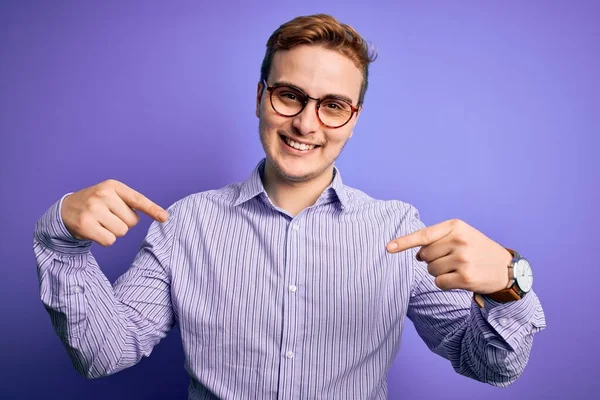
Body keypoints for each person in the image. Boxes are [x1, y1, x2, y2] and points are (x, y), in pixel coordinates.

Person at [33, 13, 546, 399]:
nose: (306, 124)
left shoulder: (398, 231)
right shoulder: (185, 224)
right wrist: (63, 241)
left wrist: (508, 284)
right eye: (289, 96)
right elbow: (104, 353)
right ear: (260, 97)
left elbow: (490, 366)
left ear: (353, 117)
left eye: (332, 105)